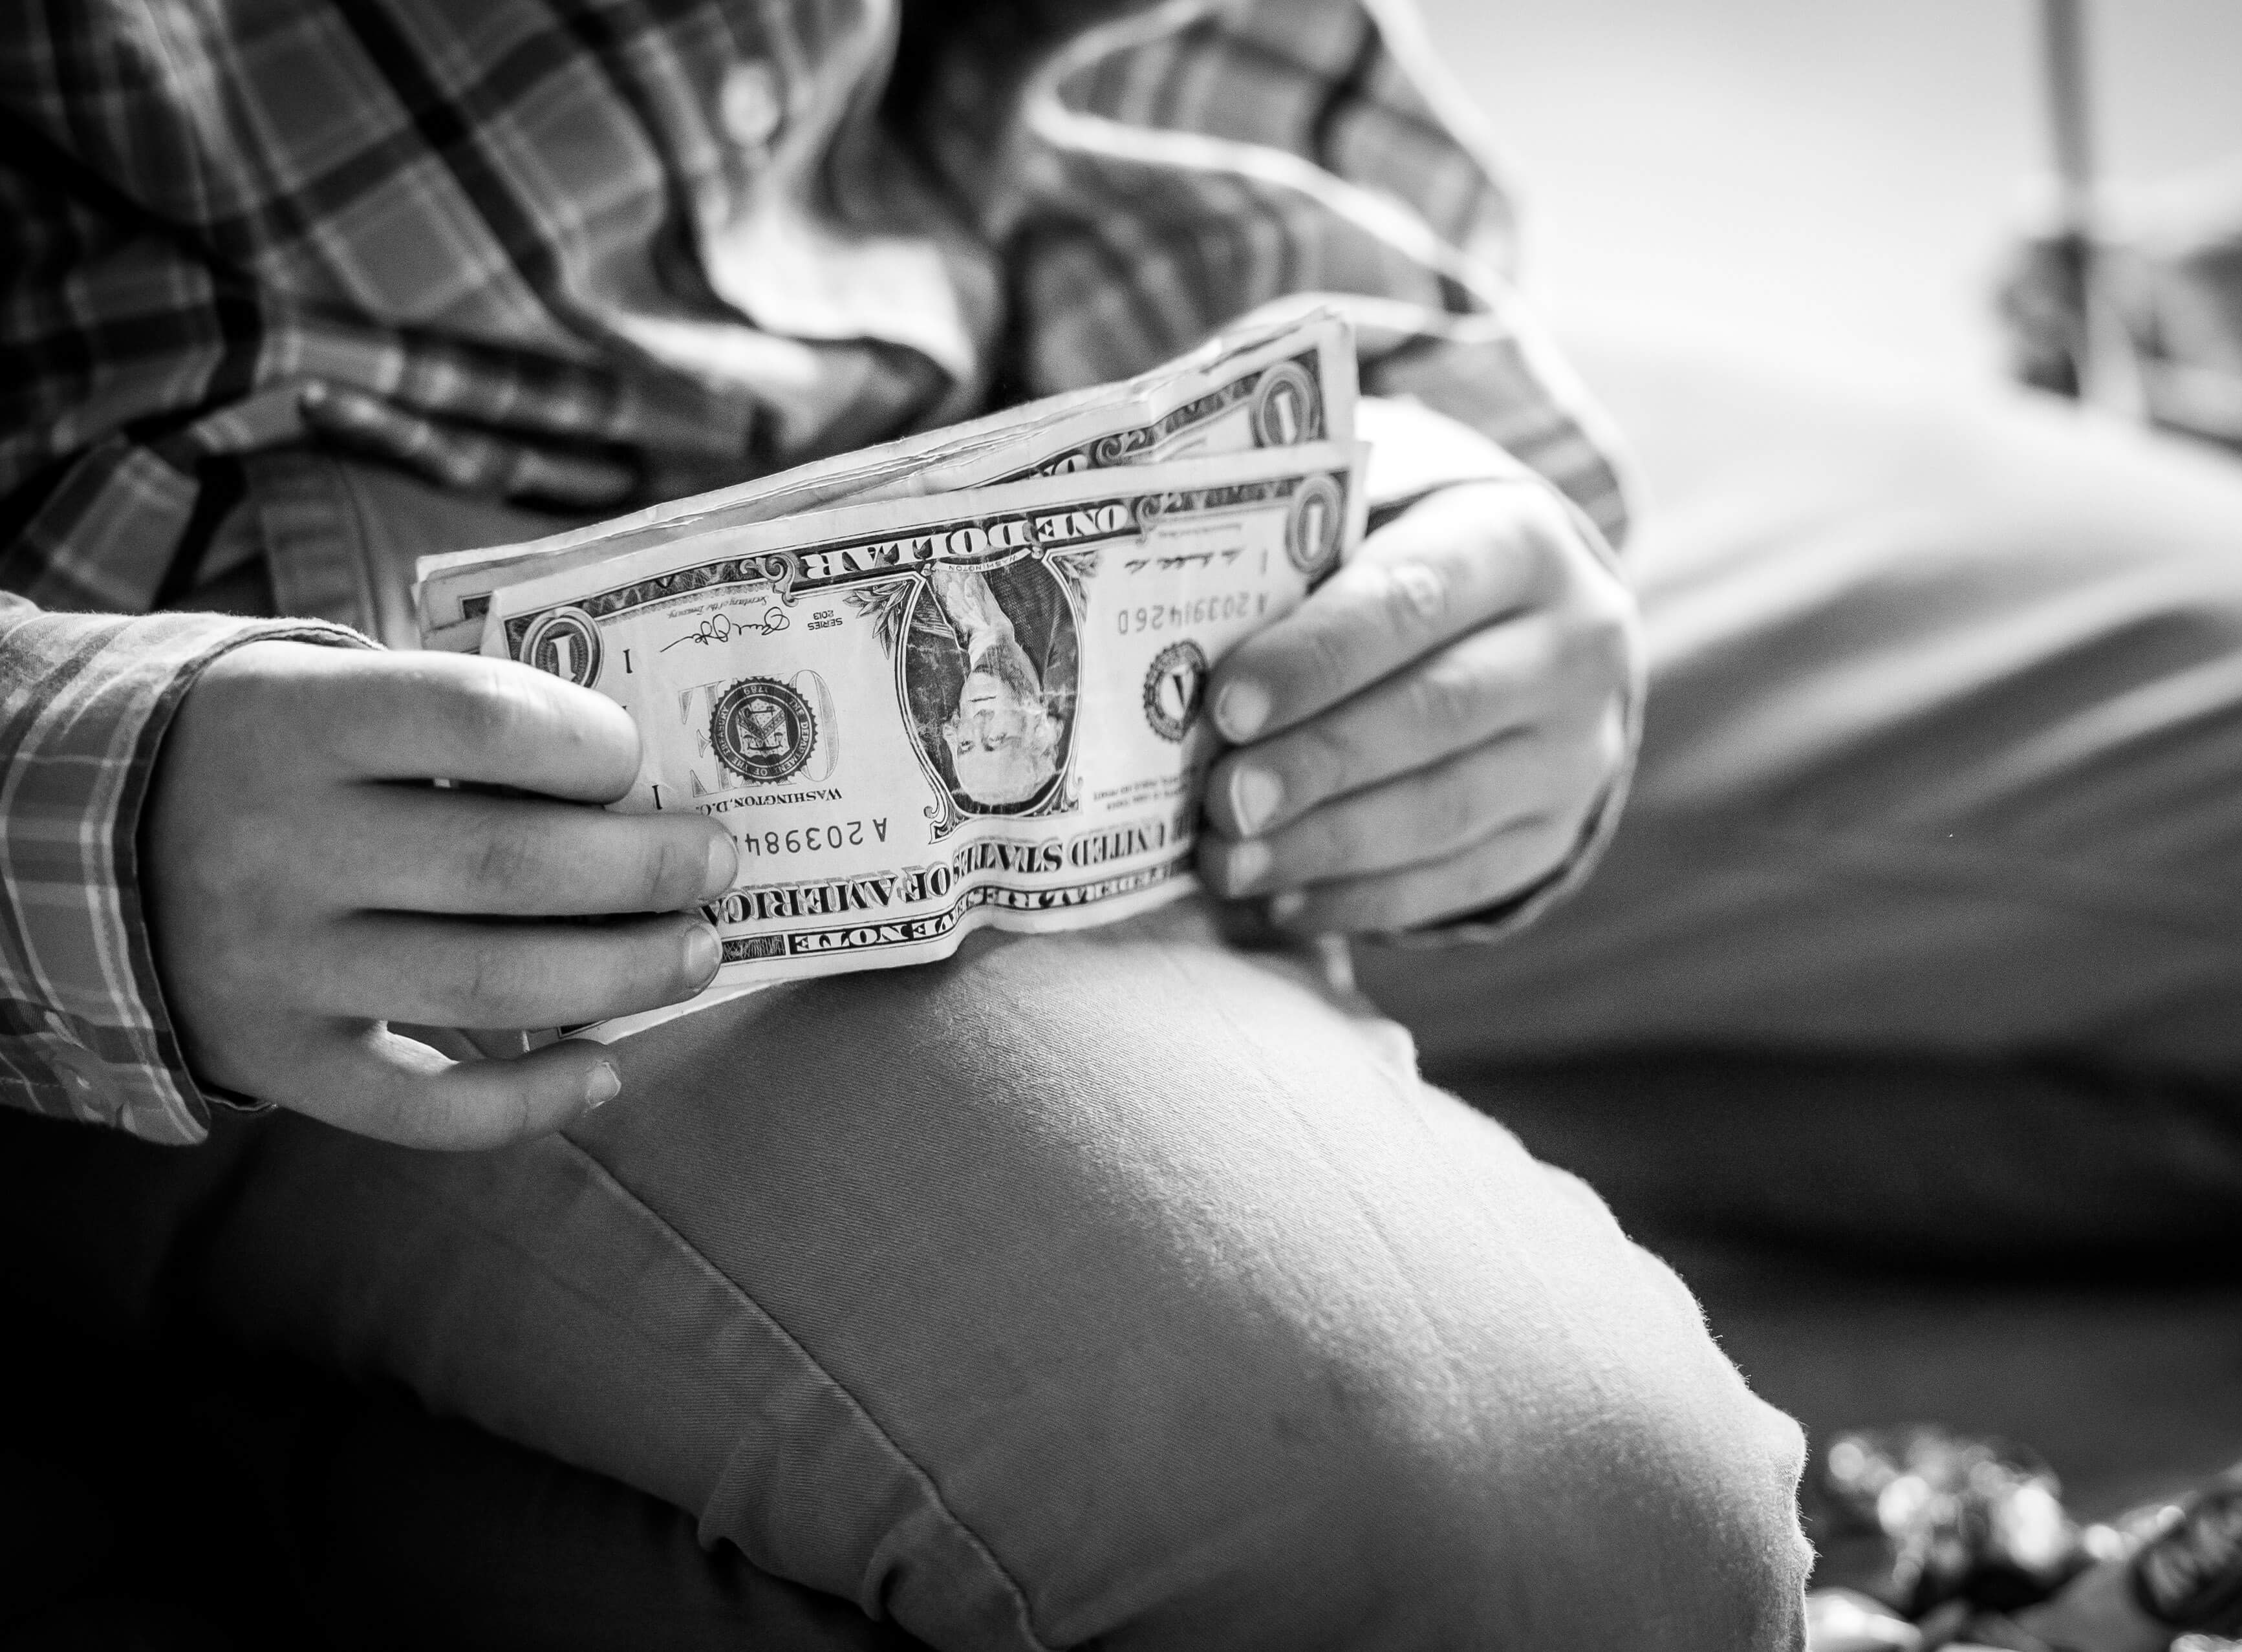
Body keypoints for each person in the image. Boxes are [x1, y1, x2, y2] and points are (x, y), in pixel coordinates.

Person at [0, 2, 1802, 1647]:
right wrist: (78, 801)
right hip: (289, 754)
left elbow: (1191, 71)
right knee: (1556, 1548)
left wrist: (1407, 466)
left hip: (1044, 403)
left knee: (2091, 795)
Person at [925, 561, 1068, 809]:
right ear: (1037, 731)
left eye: (966, 744)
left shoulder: (925, 642)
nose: (978, 721)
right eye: (997, 738)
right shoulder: (1056, 603)